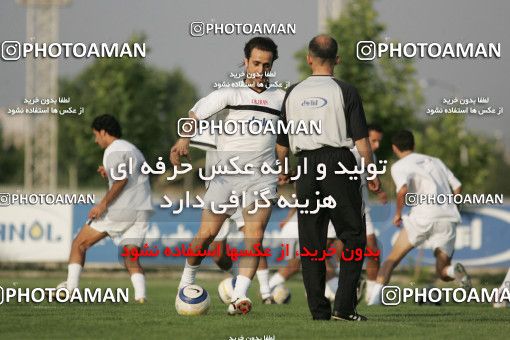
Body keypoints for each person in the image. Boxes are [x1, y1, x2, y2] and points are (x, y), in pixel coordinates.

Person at [170, 37, 285, 315]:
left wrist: (283, 164)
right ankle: (187, 281)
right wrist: (183, 139)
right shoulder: (229, 94)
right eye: (256, 63)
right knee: (207, 234)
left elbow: (285, 137)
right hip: (226, 177)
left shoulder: (281, 98)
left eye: (266, 65)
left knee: (254, 238)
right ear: (245, 62)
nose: (260, 70)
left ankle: (240, 297)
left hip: (261, 177)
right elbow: (195, 114)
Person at [276, 35, 380, 321]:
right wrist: (371, 173)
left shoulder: (293, 92)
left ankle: (318, 312)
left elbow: (282, 143)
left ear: (309, 58)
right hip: (338, 163)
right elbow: (361, 141)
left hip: (306, 166)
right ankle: (344, 309)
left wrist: (283, 168)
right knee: (353, 237)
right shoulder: (345, 90)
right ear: (337, 59)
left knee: (311, 242)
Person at [368, 130, 471, 305]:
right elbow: (458, 186)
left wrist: (398, 214)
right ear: (413, 145)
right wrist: (453, 206)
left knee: (391, 260)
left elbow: (402, 190)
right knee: (442, 271)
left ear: (394, 148)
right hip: (447, 217)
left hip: (422, 217)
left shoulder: (399, 166)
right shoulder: (435, 161)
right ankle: (454, 271)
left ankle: (374, 301)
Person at [57, 114, 153, 303]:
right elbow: (133, 177)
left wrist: (102, 205)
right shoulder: (133, 149)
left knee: (79, 244)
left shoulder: (112, 150)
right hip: (141, 209)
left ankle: (71, 290)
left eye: (95, 135)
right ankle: (141, 297)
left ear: (103, 132)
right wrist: (109, 173)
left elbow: (122, 180)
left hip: (121, 208)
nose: (95, 140)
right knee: (130, 255)